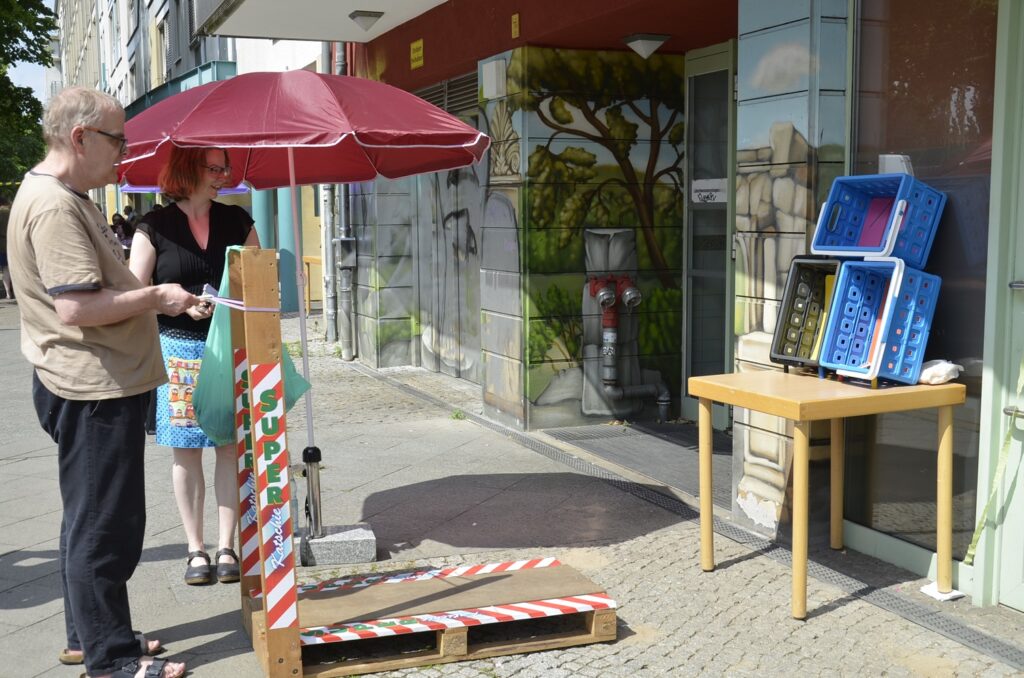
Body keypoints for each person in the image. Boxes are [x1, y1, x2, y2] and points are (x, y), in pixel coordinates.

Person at [6, 87, 192, 678]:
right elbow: (78, 309)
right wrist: (160, 295)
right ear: (80, 137)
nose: (125, 152)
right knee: (103, 529)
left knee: (88, 521)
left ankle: (90, 637)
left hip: (93, 383)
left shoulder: (62, 194)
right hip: (92, 389)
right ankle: (109, 660)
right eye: (118, 139)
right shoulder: (56, 206)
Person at [129, 145, 260, 586]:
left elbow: (258, 279)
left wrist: (279, 276)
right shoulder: (155, 227)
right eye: (216, 167)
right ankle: (194, 548)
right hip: (179, 346)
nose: (225, 173)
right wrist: (180, 305)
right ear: (189, 170)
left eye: (227, 166)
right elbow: (136, 292)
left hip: (229, 346)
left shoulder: (238, 221)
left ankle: (227, 546)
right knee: (186, 450)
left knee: (228, 446)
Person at [0, 195, 13, 300]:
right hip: (13, 243)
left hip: (1, 244)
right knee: (10, 268)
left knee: (5, 269)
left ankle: (8, 293)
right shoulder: (12, 211)